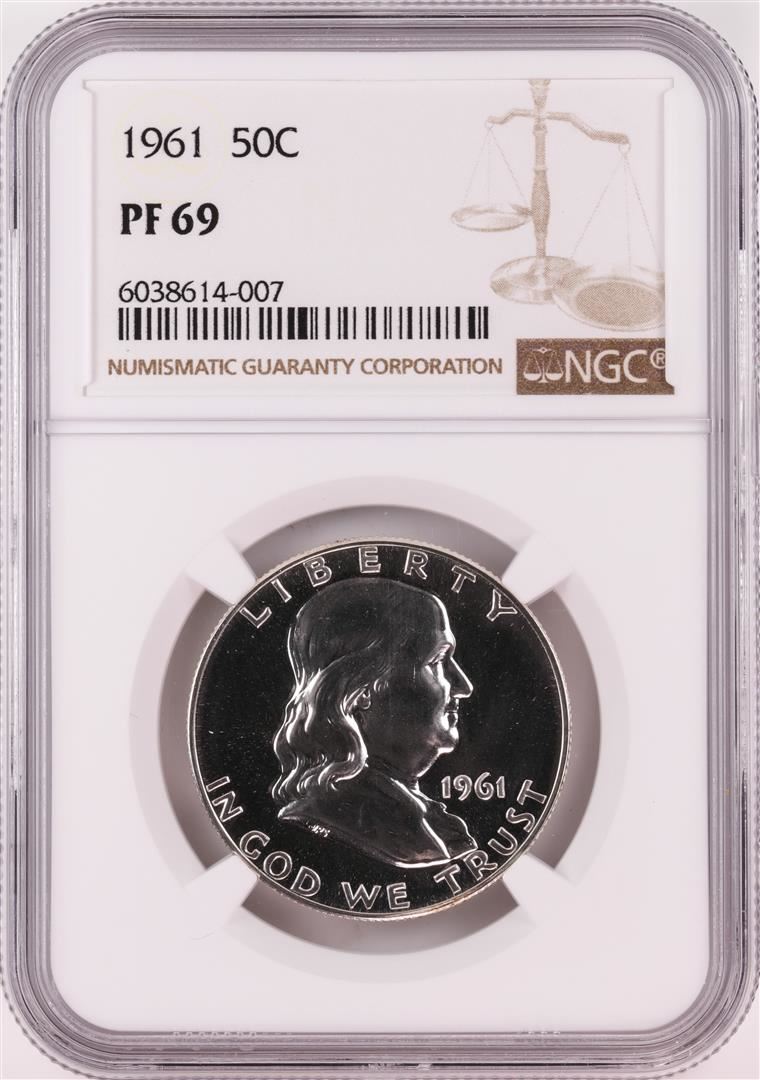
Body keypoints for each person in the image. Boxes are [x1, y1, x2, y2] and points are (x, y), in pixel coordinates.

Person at [271, 577, 477, 867]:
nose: (463, 685)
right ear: (362, 691)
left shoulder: (430, 822)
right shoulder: (350, 818)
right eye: (437, 661)